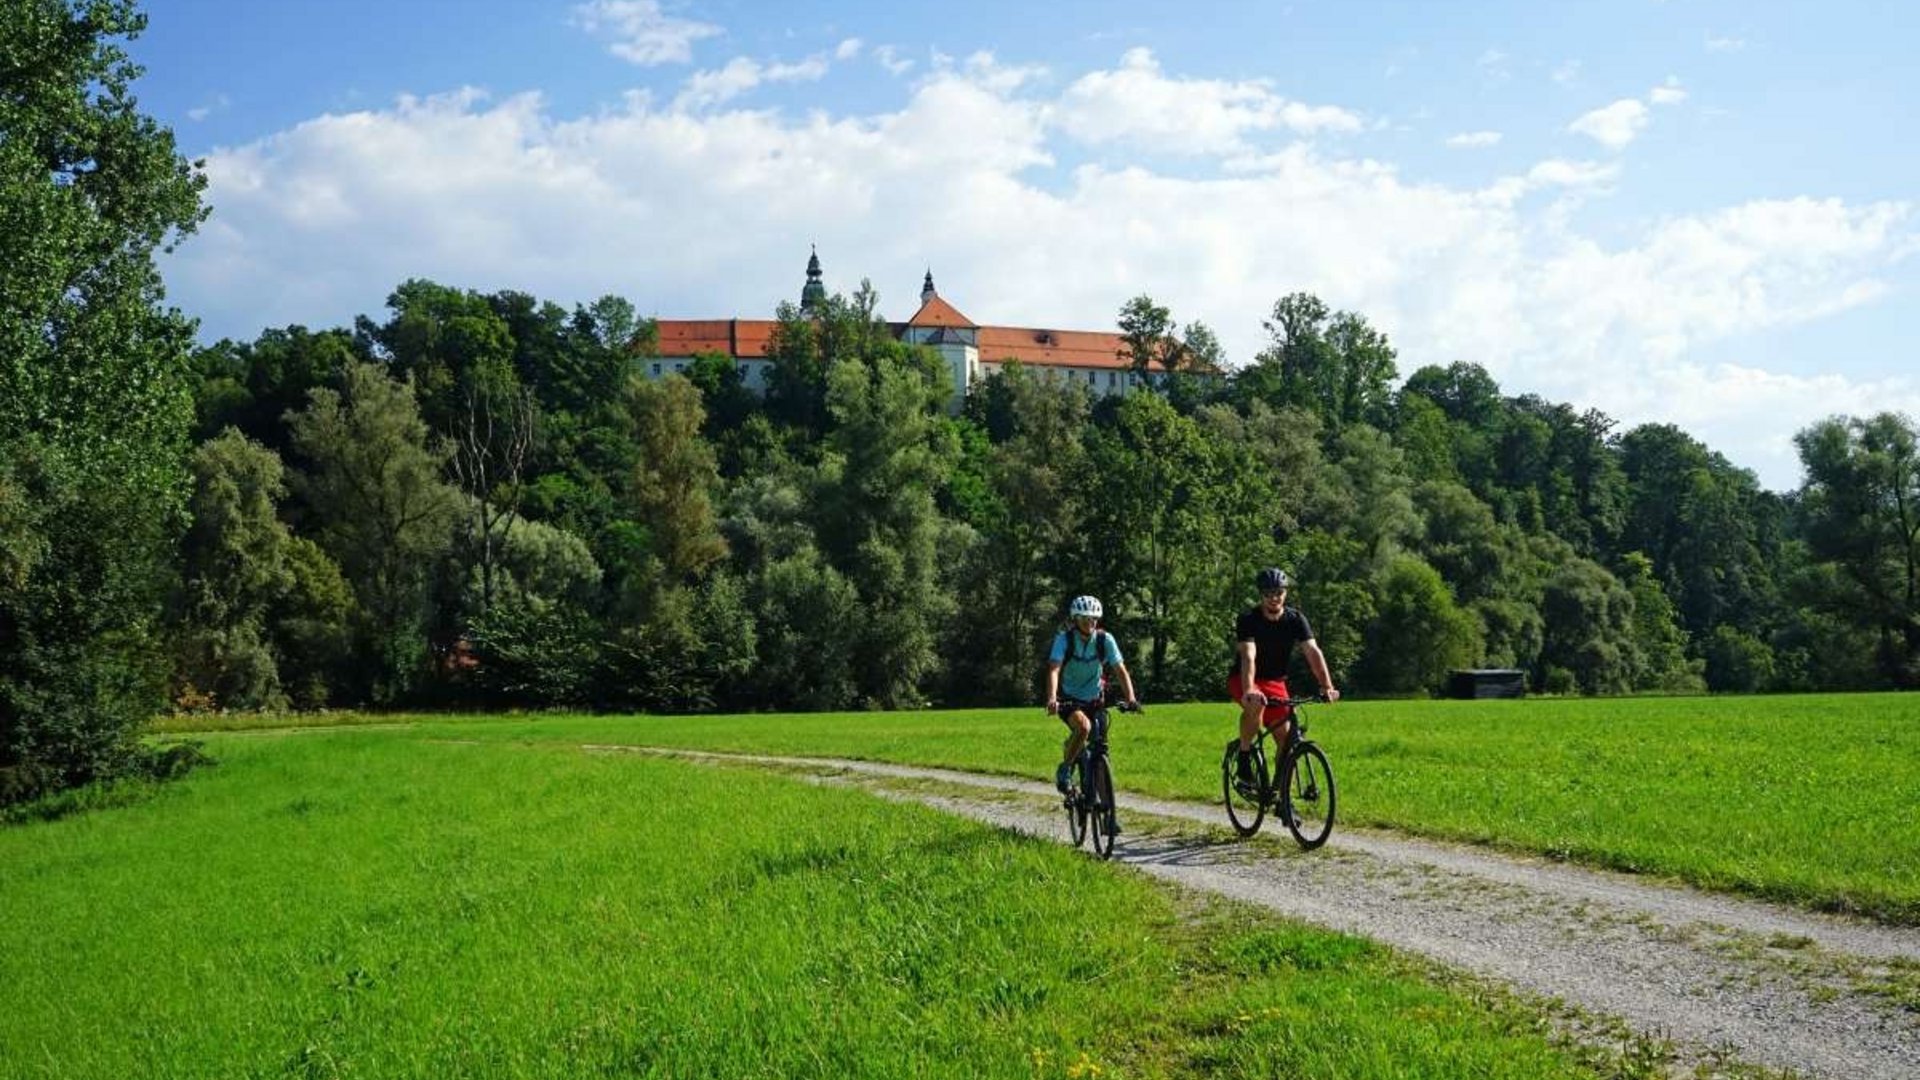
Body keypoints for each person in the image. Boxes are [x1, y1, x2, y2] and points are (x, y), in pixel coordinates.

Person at [1230, 568, 1339, 792]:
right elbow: (1249, 656)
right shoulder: (1248, 619)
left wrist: (1326, 686)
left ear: (1285, 593)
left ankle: (1281, 797)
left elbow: (1312, 652)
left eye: (1279, 592)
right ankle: (1244, 755)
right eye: (1269, 593)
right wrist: (1249, 688)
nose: (1274, 598)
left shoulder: (1296, 619)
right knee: (1256, 705)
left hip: (1275, 681)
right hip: (1244, 678)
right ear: (1261, 596)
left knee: (1287, 739)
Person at [1046, 595, 1139, 802]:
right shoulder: (1065, 640)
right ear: (1076, 619)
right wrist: (1052, 698)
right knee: (1084, 728)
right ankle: (1065, 768)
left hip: (1095, 700)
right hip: (1069, 700)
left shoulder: (1105, 640)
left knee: (1100, 751)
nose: (1091, 622)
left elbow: (1120, 670)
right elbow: (1054, 669)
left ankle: (1108, 813)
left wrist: (1131, 698)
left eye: (1094, 619)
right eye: (1086, 618)